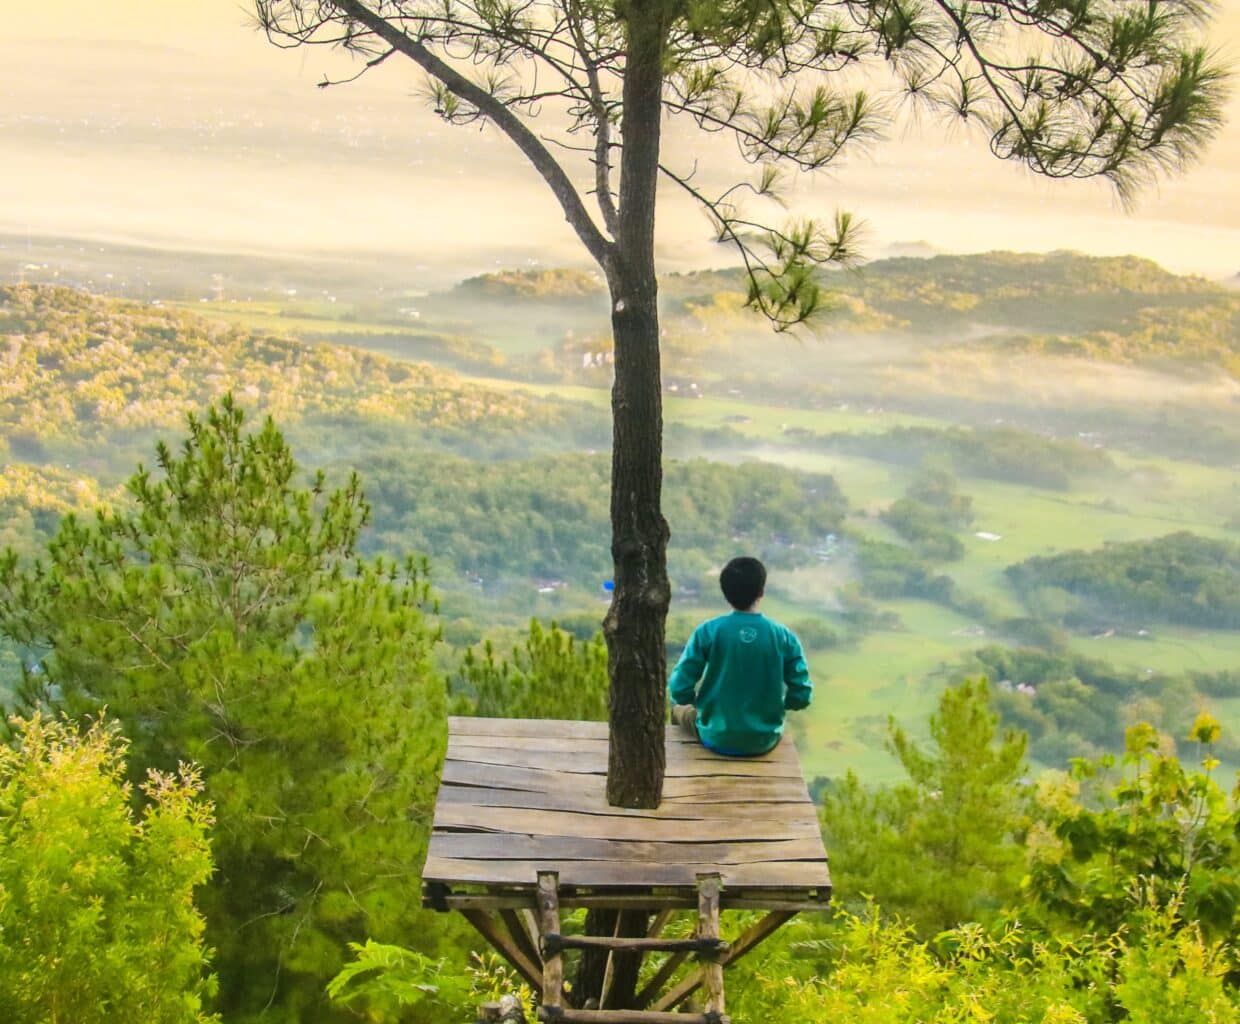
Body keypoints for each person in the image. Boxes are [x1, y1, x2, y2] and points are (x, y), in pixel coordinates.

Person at [668, 556, 813, 756]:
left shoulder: (708, 631)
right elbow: (802, 695)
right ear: (761, 591)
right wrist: (776, 705)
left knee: (677, 709)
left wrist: (697, 706)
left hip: (714, 736)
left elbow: (678, 687)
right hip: (764, 740)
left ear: (725, 592)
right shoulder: (784, 637)